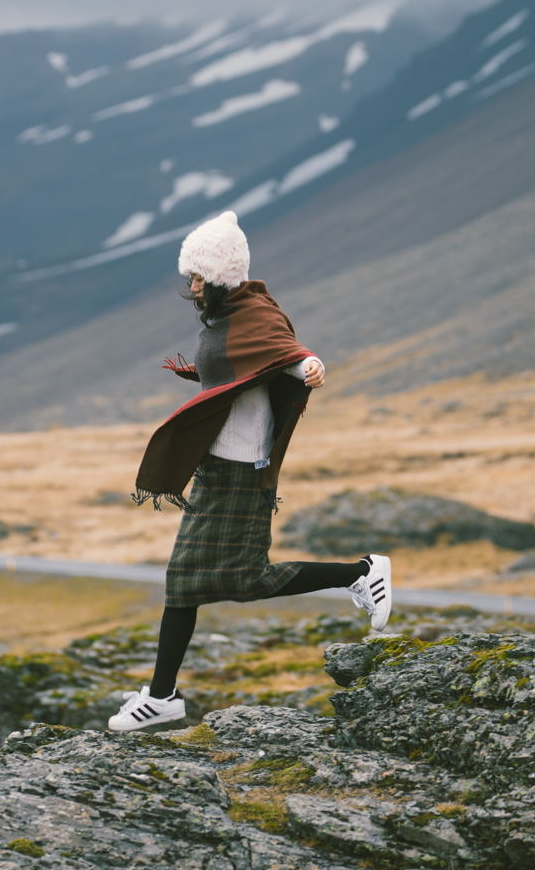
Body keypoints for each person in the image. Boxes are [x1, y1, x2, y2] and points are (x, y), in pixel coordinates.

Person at [107, 210, 392, 733]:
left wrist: (309, 366)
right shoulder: (222, 317)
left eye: (197, 276)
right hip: (218, 467)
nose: (190, 286)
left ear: (218, 277)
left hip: (241, 471)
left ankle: (364, 572)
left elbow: (288, 354)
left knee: (239, 579)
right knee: (184, 582)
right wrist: (200, 374)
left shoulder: (253, 314)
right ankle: (163, 695)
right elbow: (237, 366)